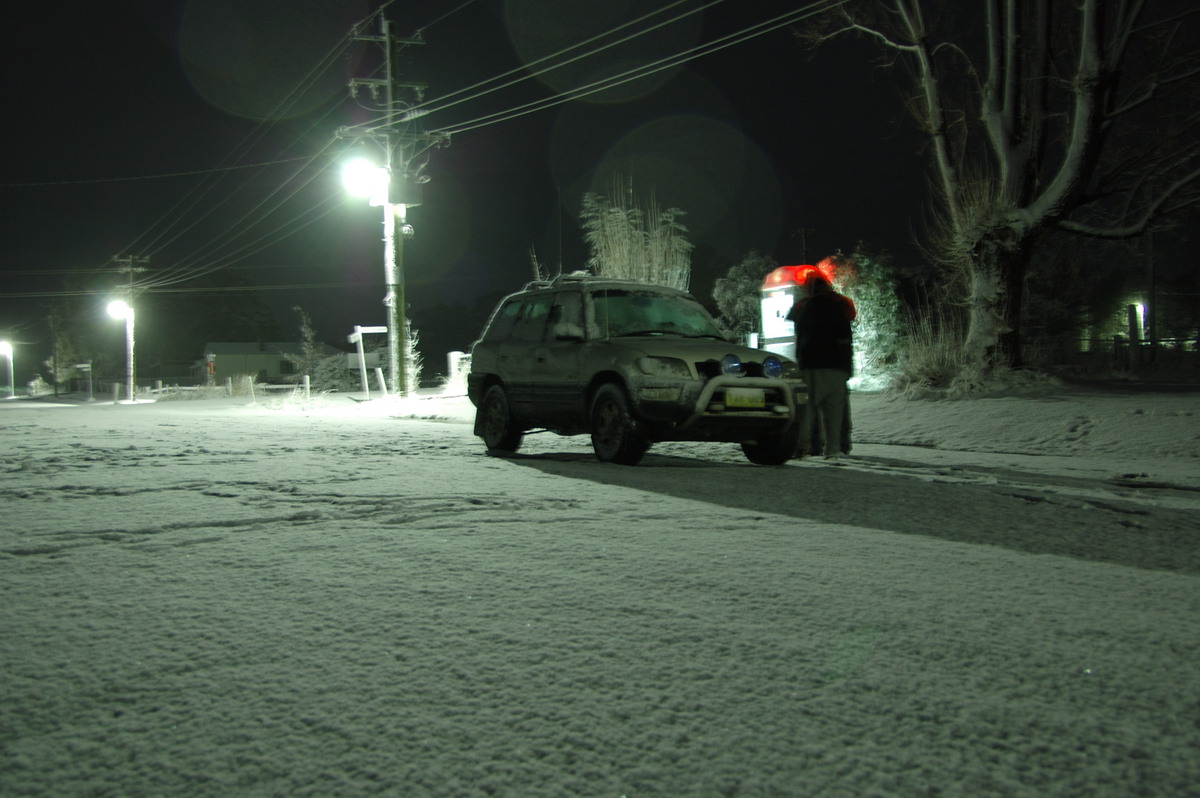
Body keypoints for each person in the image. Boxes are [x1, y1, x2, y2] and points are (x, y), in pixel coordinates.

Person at [787, 272, 855, 459]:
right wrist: (847, 368)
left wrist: (801, 363)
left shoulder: (804, 307)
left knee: (807, 410)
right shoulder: (838, 306)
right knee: (834, 411)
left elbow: (799, 334)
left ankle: (803, 446)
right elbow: (845, 340)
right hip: (835, 366)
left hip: (810, 365)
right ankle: (835, 449)